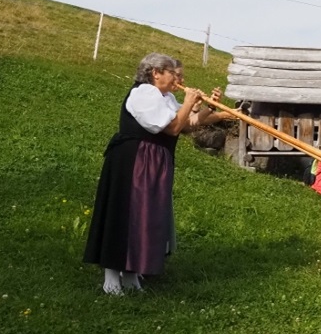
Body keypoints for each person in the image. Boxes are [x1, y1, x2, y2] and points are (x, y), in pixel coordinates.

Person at [84, 53, 222, 295]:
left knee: (144, 216)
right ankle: (111, 276)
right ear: (155, 73)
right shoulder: (144, 94)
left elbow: (186, 125)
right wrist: (189, 102)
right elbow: (172, 128)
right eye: (171, 73)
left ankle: (131, 273)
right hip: (134, 161)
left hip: (152, 162)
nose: (176, 79)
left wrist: (208, 107)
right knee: (125, 213)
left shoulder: (164, 97)